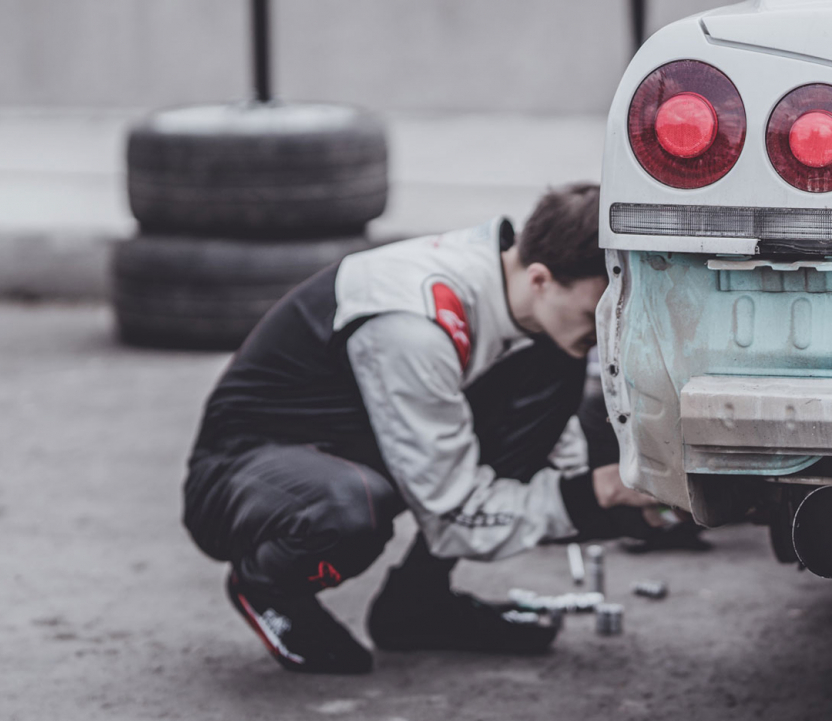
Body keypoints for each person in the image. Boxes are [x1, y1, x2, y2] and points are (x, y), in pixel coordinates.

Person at [182, 183, 654, 675]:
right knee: (351, 509)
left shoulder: (509, 279)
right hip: (245, 475)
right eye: (592, 316)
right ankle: (267, 583)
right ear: (540, 278)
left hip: (358, 436)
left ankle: (416, 606)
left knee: (554, 364)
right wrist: (595, 494)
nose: (606, 337)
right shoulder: (415, 327)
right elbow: (456, 516)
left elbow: (551, 460)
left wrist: (634, 502)